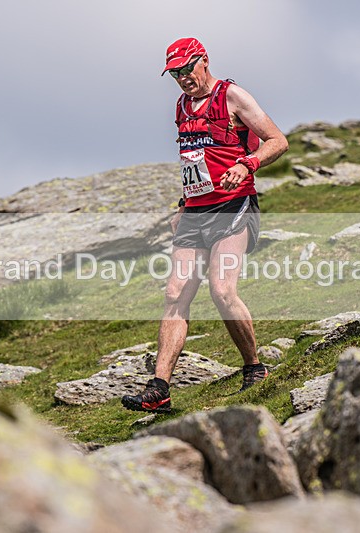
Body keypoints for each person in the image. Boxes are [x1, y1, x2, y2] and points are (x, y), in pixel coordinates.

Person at [121, 37, 288, 413]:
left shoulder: (232, 96)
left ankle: (254, 368)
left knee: (221, 290)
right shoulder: (181, 107)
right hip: (196, 213)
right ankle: (159, 388)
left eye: (186, 69)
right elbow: (193, 163)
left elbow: (278, 140)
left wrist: (247, 164)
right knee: (175, 292)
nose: (182, 78)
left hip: (235, 207)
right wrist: (183, 203)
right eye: (175, 73)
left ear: (203, 61)